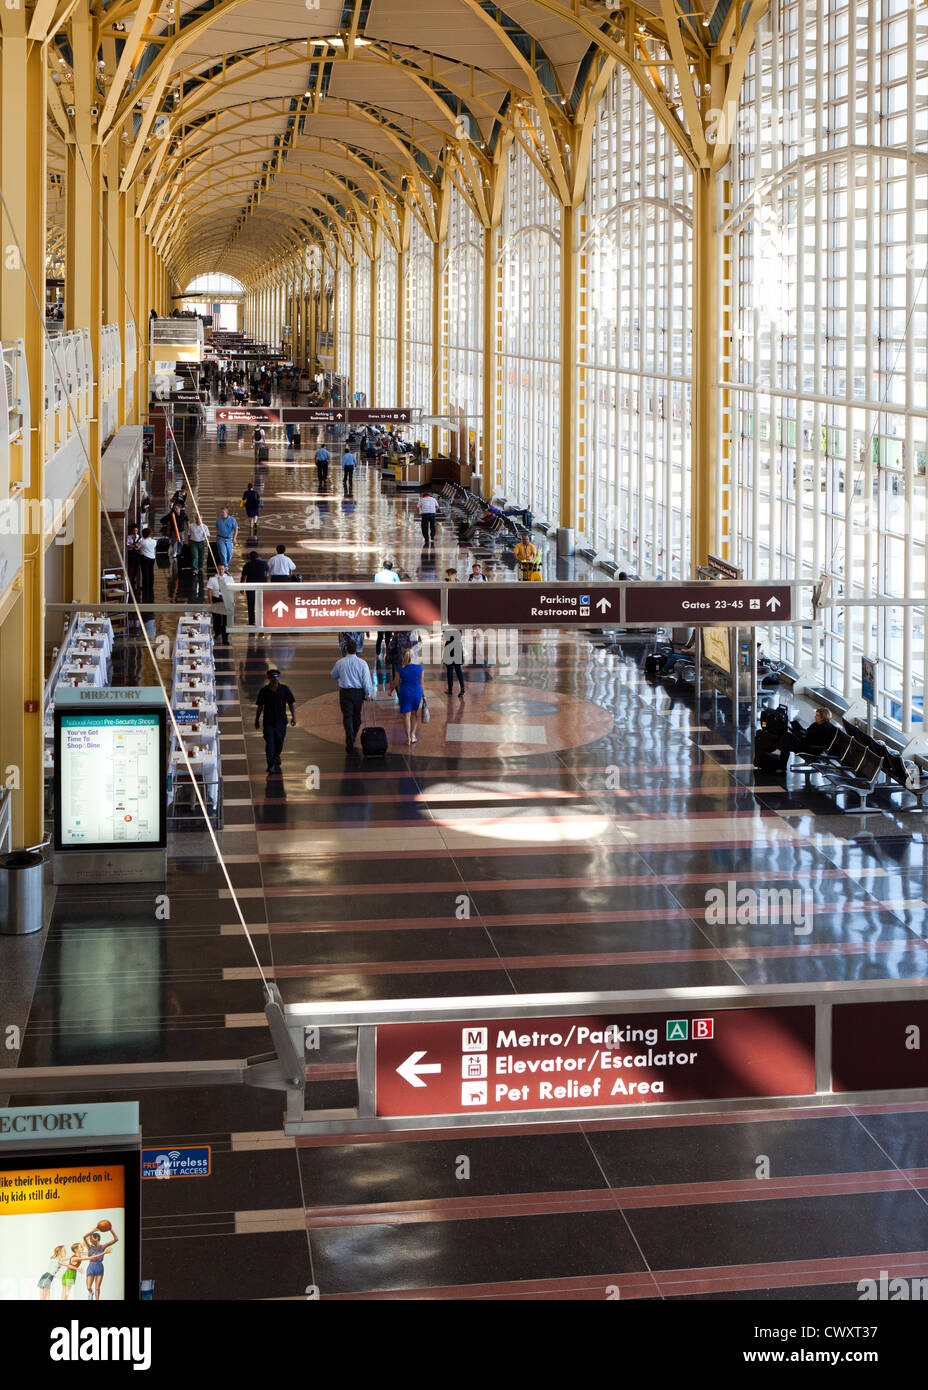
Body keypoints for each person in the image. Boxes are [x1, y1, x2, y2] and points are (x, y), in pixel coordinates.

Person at [331, 638, 374, 753]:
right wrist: (368, 693)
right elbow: (366, 680)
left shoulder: (340, 662)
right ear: (357, 650)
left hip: (345, 693)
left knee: (347, 717)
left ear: (346, 650)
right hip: (358, 693)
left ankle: (350, 739)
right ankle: (353, 736)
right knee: (357, 718)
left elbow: (333, 675)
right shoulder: (362, 663)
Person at [255, 667, 296, 774]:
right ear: (268, 677)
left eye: (277, 676)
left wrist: (293, 717)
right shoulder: (264, 691)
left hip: (281, 722)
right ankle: (271, 763)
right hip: (268, 722)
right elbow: (260, 706)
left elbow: (290, 703)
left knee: (280, 741)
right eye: (272, 676)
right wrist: (256, 719)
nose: (275, 678)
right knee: (270, 743)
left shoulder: (285, 689)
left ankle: (277, 755)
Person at [391, 647, 425, 745]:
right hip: (416, 693)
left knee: (406, 715)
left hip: (405, 693)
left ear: (403, 657)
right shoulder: (419, 668)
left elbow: (396, 682)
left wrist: (390, 690)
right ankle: (413, 735)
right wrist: (424, 696)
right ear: (413, 657)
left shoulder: (400, 669)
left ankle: (408, 738)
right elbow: (422, 684)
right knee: (414, 714)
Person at [83, 1226, 118, 1302]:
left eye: (92, 1238)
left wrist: (110, 1229)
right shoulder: (89, 1247)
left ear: (97, 1239)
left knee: (97, 1287)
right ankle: (91, 1293)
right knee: (88, 1287)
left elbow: (116, 1239)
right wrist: (94, 1230)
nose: (91, 1240)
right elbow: (84, 1237)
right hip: (91, 1267)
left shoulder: (103, 1247)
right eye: (91, 1238)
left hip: (99, 1267)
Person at [240, 549, 268, 626]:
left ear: (250, 558)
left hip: (250, 587)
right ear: (258, 557)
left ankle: (251, 622)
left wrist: (242, 587)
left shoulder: (247, 565)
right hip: (261, 587)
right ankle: (260, 620)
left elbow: (243, 577)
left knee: (251, 605)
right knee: (260, 604)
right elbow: (268, 572)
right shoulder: (264, 563)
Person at [206, 562, 230, 644]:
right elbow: (209, 591)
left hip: (226, 600)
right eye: (219, 569)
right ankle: (217, 632)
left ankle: (225, 638)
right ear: (217, 570)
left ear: (225, 569)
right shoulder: (212, 579)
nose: (221, 571)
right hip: (216, 599)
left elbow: (233, 590)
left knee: (225, 620)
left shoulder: (229, 578)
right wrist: (210, 602)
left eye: (222, 569)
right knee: (217, 618)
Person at [442, 627, 466, 697]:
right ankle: (462, 688)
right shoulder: (458, 642)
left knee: (450, 671)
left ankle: (450, 690)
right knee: (458, 670)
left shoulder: (448, 642)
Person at [138, 528, 157, 602]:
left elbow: (137, 547)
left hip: (145, 557)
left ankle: (145, 586)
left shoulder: (143, 541)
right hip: (152, 557)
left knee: (145, 572)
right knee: (151, 572)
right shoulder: (154, 541)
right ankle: (151, 586)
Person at [126, 524, 141, 592]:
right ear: (132, 530)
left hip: (137, 553)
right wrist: (135, 545)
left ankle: (134, 578)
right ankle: (130, 578)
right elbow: (128, 546)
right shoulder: (129, 537)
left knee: (136, 566)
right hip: (131, 553)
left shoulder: (139, 537)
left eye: (136, 530)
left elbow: (139, 546)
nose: (135, 532)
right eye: (134, 530)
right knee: (131, 565)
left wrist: (133, 546)